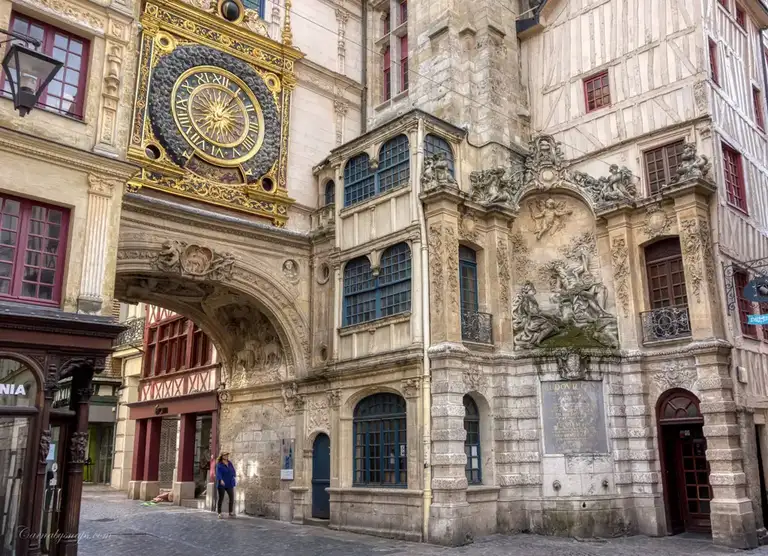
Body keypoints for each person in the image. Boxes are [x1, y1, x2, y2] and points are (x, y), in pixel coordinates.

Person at [215, 451, 237, 518]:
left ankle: (230, 512)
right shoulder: (219, 464)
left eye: (227, 455)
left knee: (231, 497)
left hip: (229, 483)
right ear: (222, 456)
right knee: (221, 498)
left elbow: (233, 470)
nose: (226, 456)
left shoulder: (229, 463)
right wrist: (221, 479)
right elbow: (218, 473)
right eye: (225, 455)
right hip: (222, 483)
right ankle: (219, 513)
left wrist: (234, 475)